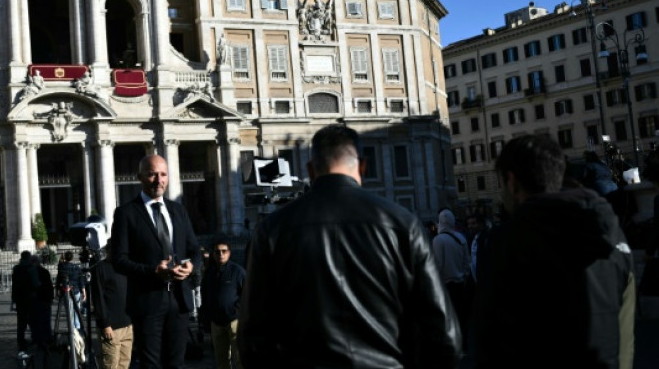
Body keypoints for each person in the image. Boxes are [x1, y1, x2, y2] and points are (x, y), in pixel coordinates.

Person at [238, 124, 461, 367]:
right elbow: (444, 334)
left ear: (311, 170)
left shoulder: (271, 230)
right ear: (363, 166)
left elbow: (253, 336)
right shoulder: (404, 225)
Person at [476, 135, 635, 369]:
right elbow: (625, 328)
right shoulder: (612, 231)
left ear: (511, 182)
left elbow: (493, 339)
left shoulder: (507, 241)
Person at [111, 154, 201, 369]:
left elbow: (195, 250)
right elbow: (119, 260)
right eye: (152, 174)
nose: (158, 180)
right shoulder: (126, 213)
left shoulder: (178, 210)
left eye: (163, 174)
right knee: (151, 364)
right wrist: (153, 270)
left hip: (179, 299)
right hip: (147, 301)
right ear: (140, 177)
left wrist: (191, 267)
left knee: (176, 363)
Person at [200, 240, 245, 369]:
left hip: (234, 322)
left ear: (229, 253)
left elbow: (247, 292)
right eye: (217, 251)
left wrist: (236, 310)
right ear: (213, 254)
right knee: (221, 361)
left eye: (224, 251)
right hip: (216, 323)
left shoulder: (237, 271)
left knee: (239, 359)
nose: (221, 254)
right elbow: (204, 294)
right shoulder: (209, 273)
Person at [432, 209, 471, 349]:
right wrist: (464, 276)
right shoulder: (461, 238)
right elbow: (467, 262)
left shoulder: (438, 240)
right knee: (461, 316)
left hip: (445, 286)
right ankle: (463, 344)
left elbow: (437, 265)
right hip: (460, 284)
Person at [91, 245, 133, 369]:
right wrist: (105, 324)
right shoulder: (100, 268)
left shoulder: (125, 267)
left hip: (128, 325)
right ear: (108, 250)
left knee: (125, 364)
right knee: (111, 365)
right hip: (111, 328)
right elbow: (98, 298)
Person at [12, 251, 40, 353]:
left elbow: (14, 285)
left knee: (21, 323)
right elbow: (36, 284)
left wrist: (13, 299)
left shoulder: (16, 269)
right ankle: (35, 339)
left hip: (19, 298)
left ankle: (21, 342)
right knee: (33, 320)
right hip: (30, 298)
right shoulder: (31, 268)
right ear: (29, 258)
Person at [56, 251, 86, 331]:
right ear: (72, 258)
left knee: (69, 311)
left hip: (66, 290)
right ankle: (77, 327)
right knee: (77, 310)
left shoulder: (61, 267)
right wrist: (84, 291)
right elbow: (81, 280)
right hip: (75, 289)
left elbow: (59, 279)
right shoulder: (76, 267)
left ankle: (71, 328)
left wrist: (57, 290)